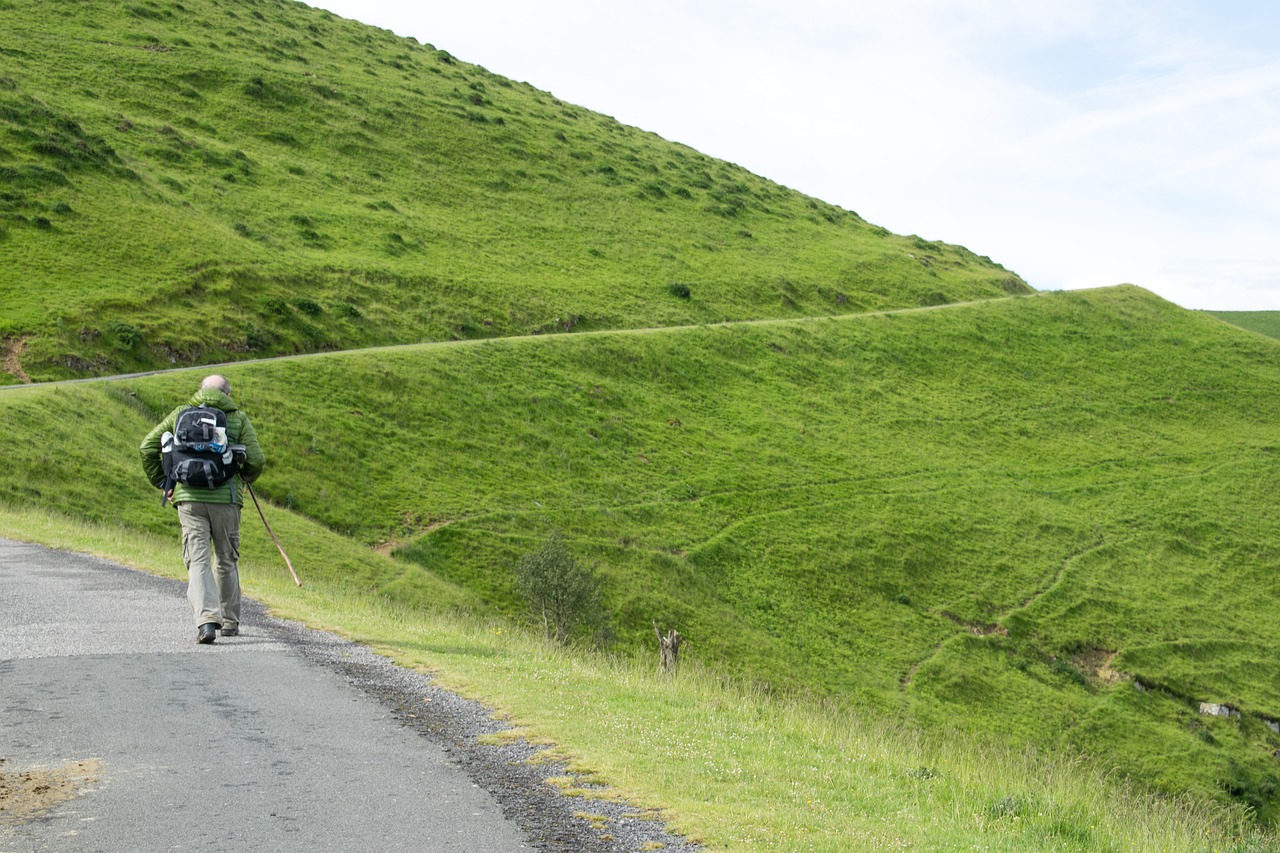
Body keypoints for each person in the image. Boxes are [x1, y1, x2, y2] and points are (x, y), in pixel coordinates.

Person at [140, 375, 266, 644]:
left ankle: (207, 621)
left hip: (188, 499)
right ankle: (230, 622)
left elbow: (147, 446)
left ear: (200, 392)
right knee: (226, 559)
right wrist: (244, 476)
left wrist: (164, 483)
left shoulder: (180, 413)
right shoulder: (237, 419)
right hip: (226, 499)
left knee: (197, 560)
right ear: (228, 395)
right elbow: (256, 460)